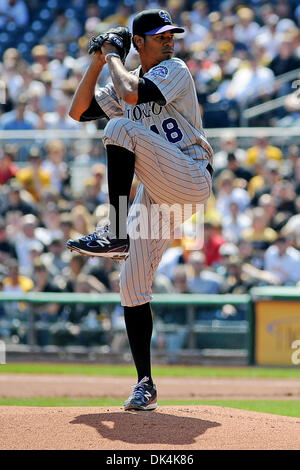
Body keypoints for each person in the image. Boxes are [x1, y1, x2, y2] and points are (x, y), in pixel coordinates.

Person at [66, 9, 213, 411]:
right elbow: (77, 112)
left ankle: (115, 233)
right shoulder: (121, 78)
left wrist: (114, 55)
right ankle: (144, 383)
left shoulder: (175, 68)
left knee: (119, 128)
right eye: (160, 35)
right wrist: (98, 60)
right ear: (140, 41)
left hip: (190, 175)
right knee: (131, 286)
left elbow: (132, 94)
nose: (169, 40)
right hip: (158, 191)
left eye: (171, 34)